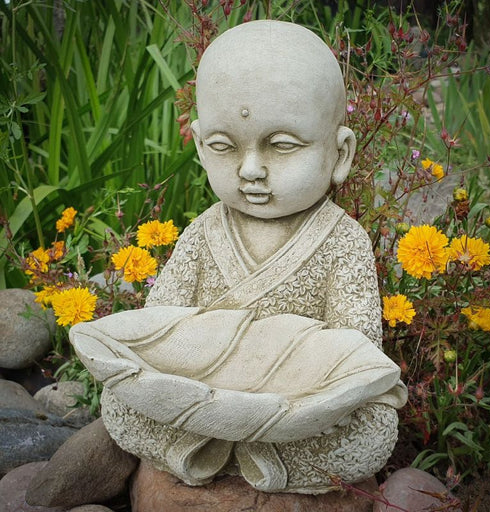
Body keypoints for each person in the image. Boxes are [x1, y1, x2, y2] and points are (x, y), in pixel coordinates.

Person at [70, 20, 407, 494]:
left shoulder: (343, 240)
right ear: (199, 145)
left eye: (282, 145)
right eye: (224, 147)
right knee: (122, 408)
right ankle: (235, 449)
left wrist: (314, 391)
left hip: (300, 402)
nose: (250, 170)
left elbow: (357, 350)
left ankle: (237, 452)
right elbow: (159, 327)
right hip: (199, 389)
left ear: (340, 153)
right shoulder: (202, 233)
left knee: (372, 429)